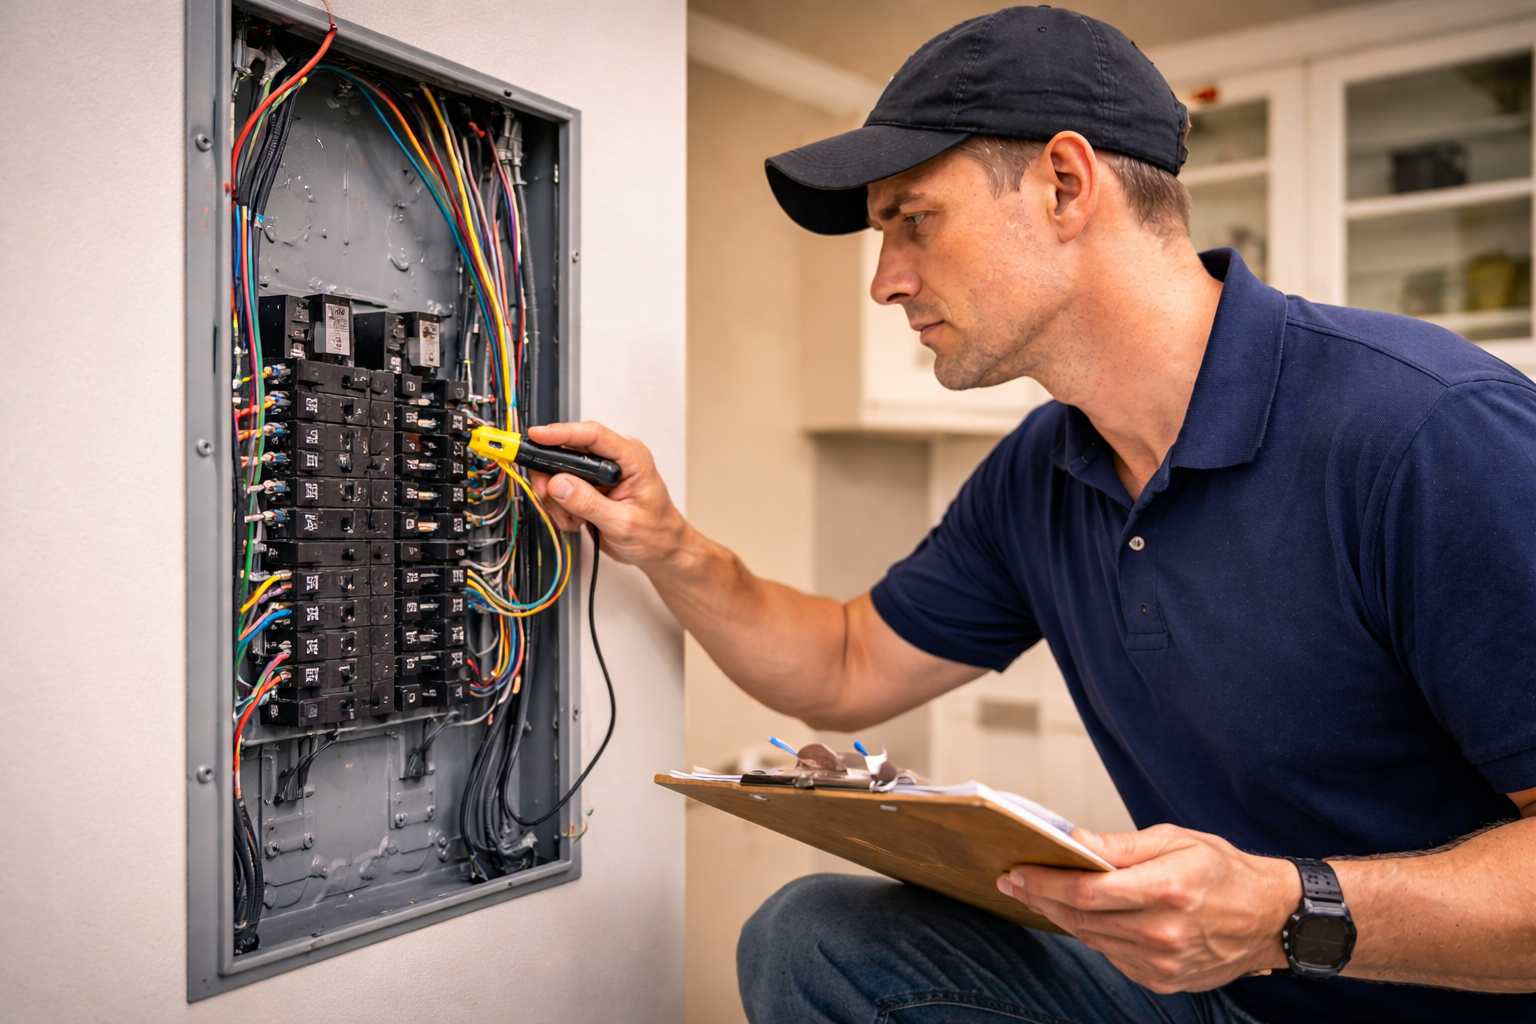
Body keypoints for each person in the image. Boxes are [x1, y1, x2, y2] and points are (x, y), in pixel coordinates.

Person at [527, 7, 1536, 1023]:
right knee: (819, 939)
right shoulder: (1042, 473)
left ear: (1065, 183)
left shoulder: (1426, 432)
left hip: (1422, 997)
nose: (886, 283)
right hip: (1233, 997)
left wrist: (1285, 909)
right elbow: (842, 664)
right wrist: (664, 542)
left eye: (913, 220)